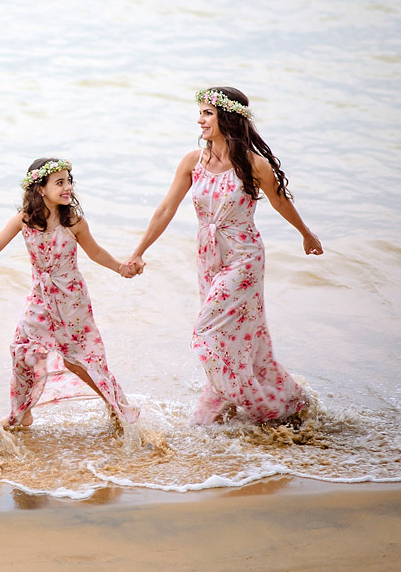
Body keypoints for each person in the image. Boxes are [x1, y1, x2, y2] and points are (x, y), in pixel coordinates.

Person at [124, 87, 322, 425]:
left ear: (226, 118)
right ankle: (264, 399)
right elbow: (165, 209)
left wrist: (306, 233)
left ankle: (254, 401)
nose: (200, 119)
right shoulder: (193, 161)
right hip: (208, 259)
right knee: (241, 336)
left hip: (243, 258)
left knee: (207, 331)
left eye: (207, 113)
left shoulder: (252, 164)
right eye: (200, 113)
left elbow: (280, 202)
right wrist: (138, 252)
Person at [0, 158, 140, 430]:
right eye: (59, 182)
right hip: (40, 297)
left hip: (71, 299)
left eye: (69, 181)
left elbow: (95, 253)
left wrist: (121, 267)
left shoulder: (73, 222)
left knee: (78, 358)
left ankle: (116, 405)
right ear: (40, 188)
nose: (67, 187)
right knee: (22, 349)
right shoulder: (25, 220)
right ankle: (22, 413)